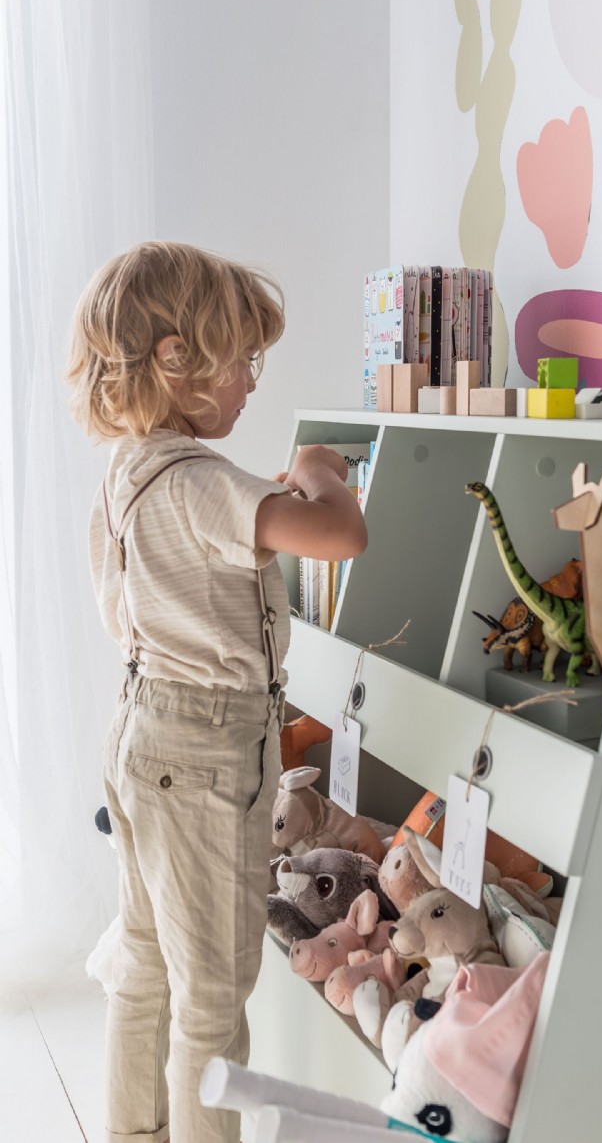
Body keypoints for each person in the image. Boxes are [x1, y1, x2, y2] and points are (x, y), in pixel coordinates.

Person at [66, 241, 367, 1143]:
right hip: (204, 754)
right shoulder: (202, 480)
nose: (248, 381)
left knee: (145, 961)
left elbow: (144, 592)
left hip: (142, 730)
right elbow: (339, 537)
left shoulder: (131, 472)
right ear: (173, 359)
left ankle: (132, 1133)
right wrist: (321, 469)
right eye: (239, 359)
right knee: (213, 993)